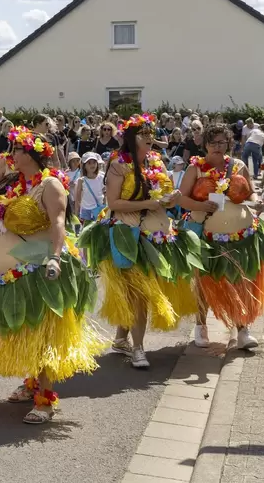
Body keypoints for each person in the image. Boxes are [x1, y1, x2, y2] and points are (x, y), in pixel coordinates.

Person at [0, 127, 105, 424]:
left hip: (37, 268)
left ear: (34, 153)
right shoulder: (14, 183)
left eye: (18, 149)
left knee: (41, 331)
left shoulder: (50, 185)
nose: (12, 153)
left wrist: (54, 256)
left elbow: (59, 222)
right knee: (24, 331)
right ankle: (32, 383)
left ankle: (46, 399)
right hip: (7, 271)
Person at [78, 114, 200, 368]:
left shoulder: (156, 160)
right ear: (131, 138)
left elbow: (165, 190)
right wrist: (150, 203)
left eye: (150, 134)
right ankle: (138, 348)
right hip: (127, 233)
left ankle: (122, 338)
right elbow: (113, 203)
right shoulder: (117, 164)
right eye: (143, 134)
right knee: (138, 294)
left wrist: (172, 197)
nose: (149, 138)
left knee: (137, 291)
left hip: (157, 234)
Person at [177, 124, 264, 349]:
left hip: (239, 237)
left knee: (240, 281)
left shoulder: (238, 166)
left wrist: (257, 200)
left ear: (228, 144)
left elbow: (249, 191)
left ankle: (243, 329)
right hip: (205, 236)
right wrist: (202, 205)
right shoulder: (195, 169)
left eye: (222, 142)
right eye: (212, 142)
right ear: (204, 145)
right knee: (203, 283)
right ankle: (200, 326)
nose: (217, 146)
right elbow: (181, 199)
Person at [75, 152, 105, 225]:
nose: (92, 165)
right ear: (84, 166)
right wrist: (76, 214)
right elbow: (78, 198)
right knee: (86, 233)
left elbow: (106, 193)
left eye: (94, 162)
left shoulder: (102, 177)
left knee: (99, 232)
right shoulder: (81, 180)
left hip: (99, 209)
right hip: (86, 211)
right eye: (89, 163)